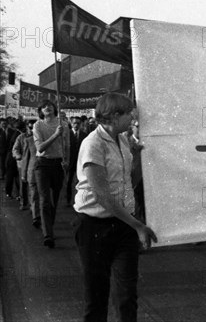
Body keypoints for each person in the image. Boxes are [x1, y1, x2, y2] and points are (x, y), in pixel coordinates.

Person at [72, 93, 156, 321]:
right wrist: (138, 225)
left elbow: (130, 181)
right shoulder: (93, 144)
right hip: (94, 228)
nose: (133, 118)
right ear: (114, 116)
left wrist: (136, 158)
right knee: (97, 297)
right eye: (129, 113)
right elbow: (104, 197)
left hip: (123, 226)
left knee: (127, 295)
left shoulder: (123, 141)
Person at [33, 100, 70, 248]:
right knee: (45, 200)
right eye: (44, 107)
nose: (47, 108)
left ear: (55, 108)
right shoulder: (38, 125)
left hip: (58, 164)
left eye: (49, 106)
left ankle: (48, 223)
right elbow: (40, 147)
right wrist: (55, 135)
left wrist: (67, 161)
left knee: (55, 199)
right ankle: (48, 234)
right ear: (41, 111)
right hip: (43, 164)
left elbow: (67, 146)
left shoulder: (64, 125)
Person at [66, 116, 87, 206]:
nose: (76, 125)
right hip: (70, 162)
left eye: (78, 123)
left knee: (80, 183)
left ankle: (78, 200)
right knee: (68, 182)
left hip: (80, 163)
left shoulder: (84, 135)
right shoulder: (67, 134)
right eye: (74, 123)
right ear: (71, 124)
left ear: (80, 124)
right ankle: (68, 200)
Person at [12, 120, 33, 210]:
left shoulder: (37, 137)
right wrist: (20, 157)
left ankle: (33, 204)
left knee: (33, 185)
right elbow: (15, 150)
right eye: (30, 127)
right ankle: (24, 203)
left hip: (33, 164)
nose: (31, 130)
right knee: (23, 184)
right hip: (23, 165)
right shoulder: (21, 137)